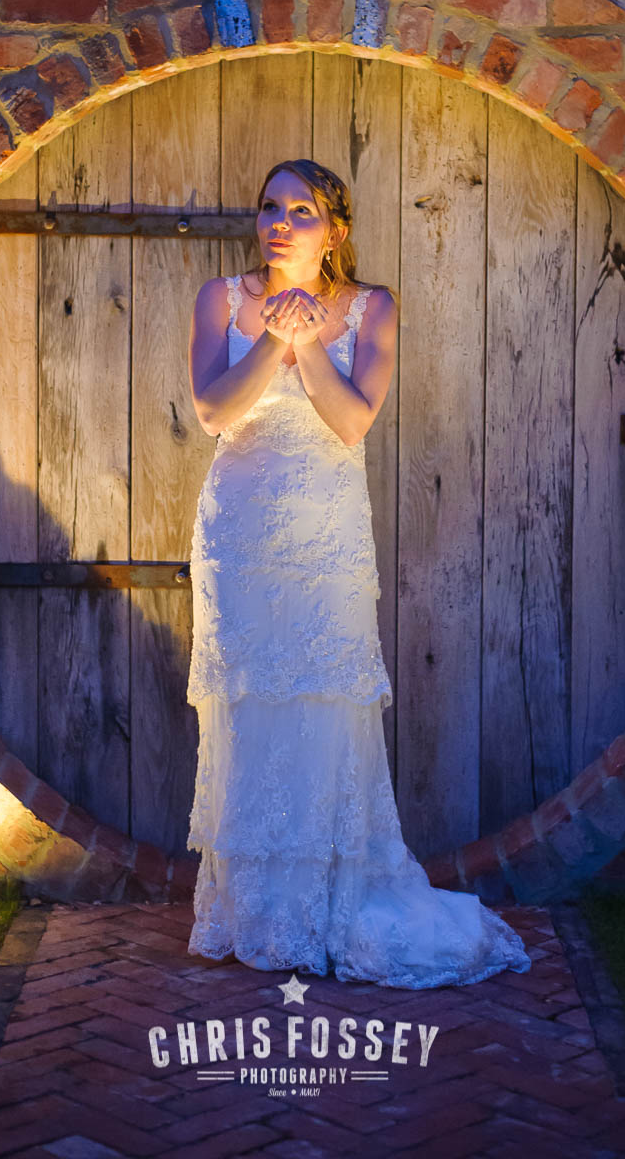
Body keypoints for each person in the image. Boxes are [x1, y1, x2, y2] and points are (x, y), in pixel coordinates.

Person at [184, 158, 531, 988]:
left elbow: (349, 423)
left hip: (328, 535)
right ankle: (256, 913)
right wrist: (273, 335)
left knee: (327, 701)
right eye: (268, 206)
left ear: (334, 228)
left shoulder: (373, 308)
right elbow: (212, 412)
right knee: (249, 704)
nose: (279, 222)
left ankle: (332, 902)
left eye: (300, 211)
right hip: (239, 532)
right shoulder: (219, 300)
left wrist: (308, 342)